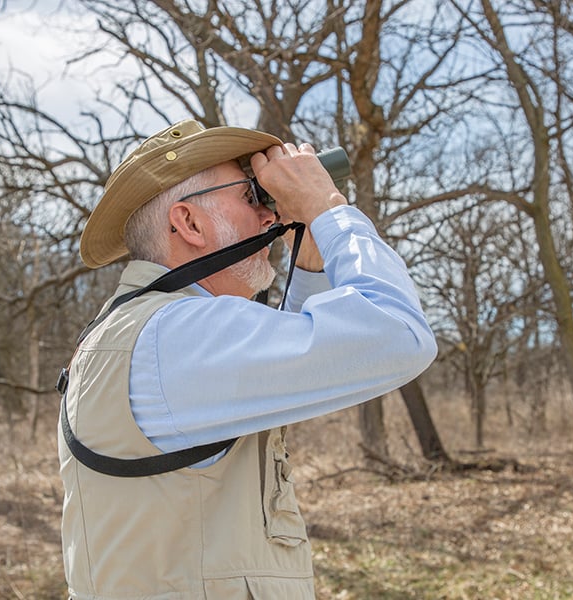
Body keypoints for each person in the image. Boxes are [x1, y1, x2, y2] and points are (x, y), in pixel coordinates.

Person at [58, 119, 437, 599]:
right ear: (188, 223)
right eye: (252, 197)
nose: (270, 218)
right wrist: (327, 207)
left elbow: (303, 374)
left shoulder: (143, 331)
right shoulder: (175, 336)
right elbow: (399, 334)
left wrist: (313, 259)